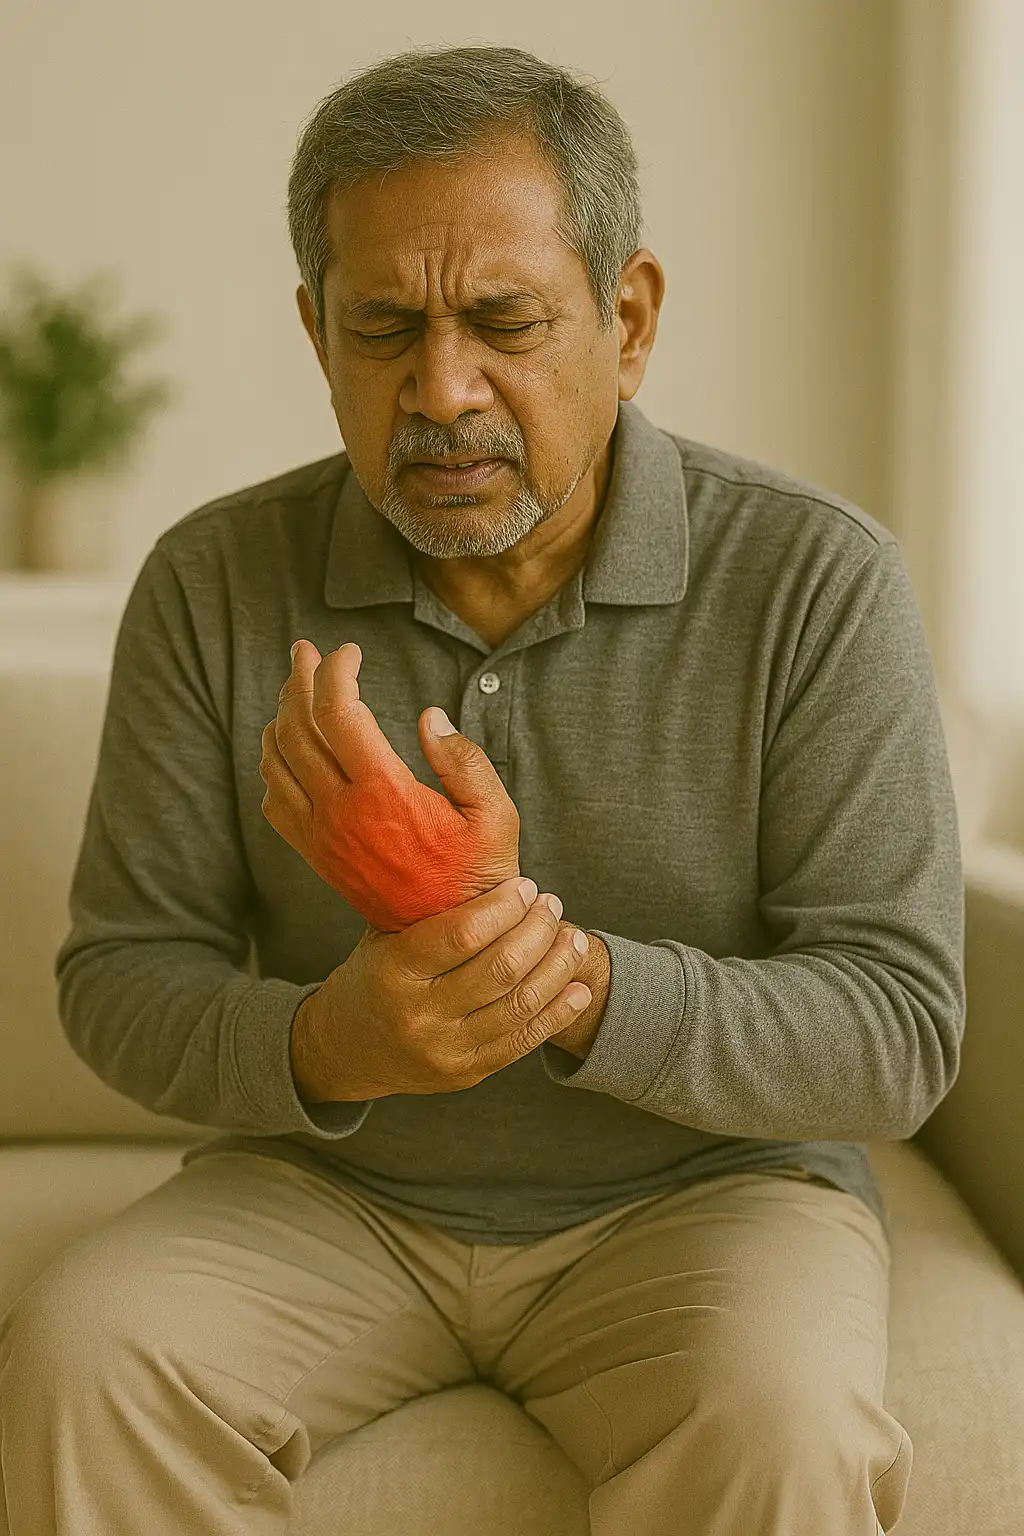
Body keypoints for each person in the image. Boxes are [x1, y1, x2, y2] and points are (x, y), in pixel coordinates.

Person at [0, 42, 963, 1536]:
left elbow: (897, 1034)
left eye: (504, 321)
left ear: (628, 319)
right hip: (330, 1203)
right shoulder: (210, 582)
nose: (441, 388)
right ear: (317, 332)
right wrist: (335, 1039)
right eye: (384, 328)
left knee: (785, 1423)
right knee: (82, 1356)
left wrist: (559, 978)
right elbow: (120, 981)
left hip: (705, 1198)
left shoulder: (816, 580)